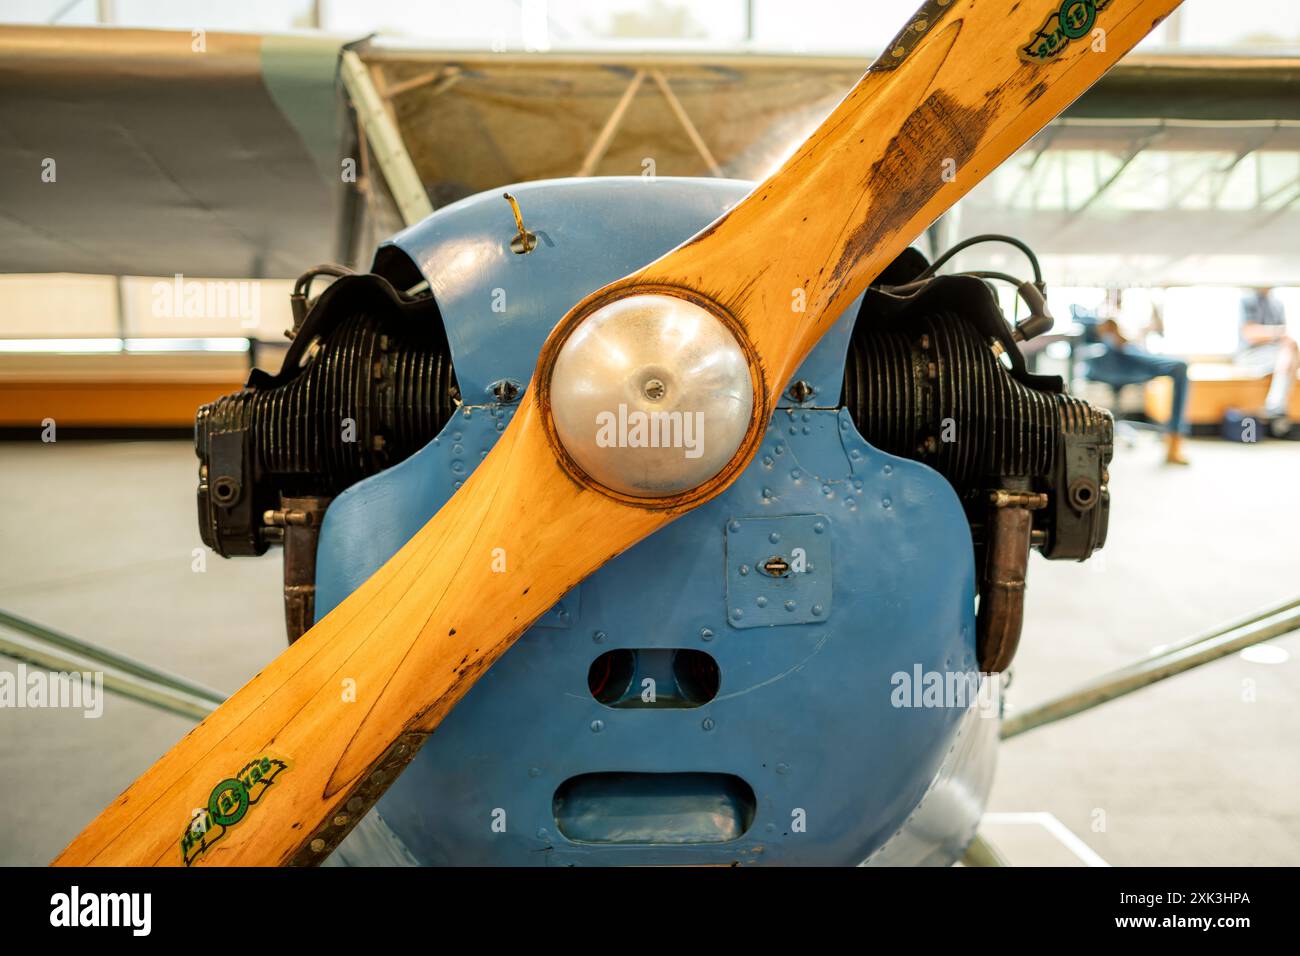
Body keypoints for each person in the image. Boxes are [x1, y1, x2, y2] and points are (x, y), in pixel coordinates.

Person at [1076, 290, 1191, 465]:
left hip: (1135, 356)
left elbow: (1154, 332)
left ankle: (1174, 441)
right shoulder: (1098, 310)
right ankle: (1173, 440)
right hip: (1114, 358)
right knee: (1178, 366)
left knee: (1180, 367)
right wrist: (1108, 326)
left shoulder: (1142, 305)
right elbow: (1105, 339)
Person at [1238, 288, 1297, 437]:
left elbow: (1284, 334)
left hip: (1276, 354)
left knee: (1291, 349)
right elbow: (1250, 334)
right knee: (1289, 352)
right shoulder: (1246, 300)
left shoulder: (1277, 303)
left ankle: (1275, 405)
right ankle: (1276, 406)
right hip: (1251, 354)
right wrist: (1278, 333)